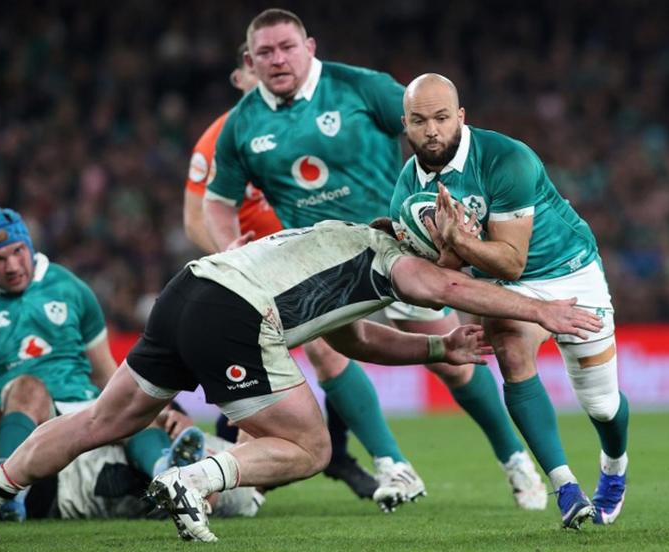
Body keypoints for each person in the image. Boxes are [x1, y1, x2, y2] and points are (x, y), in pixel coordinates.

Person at [0, 217, 602, 543]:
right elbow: (453, 285)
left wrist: (438, 350)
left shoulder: (340, 245)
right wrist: (542, 309)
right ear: (435, 241)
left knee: (100, 421)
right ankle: (191, 479)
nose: (468, 261)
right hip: (235, 313)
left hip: (189, 291)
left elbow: (358, 337)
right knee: (310, 447)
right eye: (465, 245)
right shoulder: (399, 258)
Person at [204, 7, 548, 511]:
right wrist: (226, 242)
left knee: (451, 362)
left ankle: (515, 458)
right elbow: (218, 199)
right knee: (326, 352)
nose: (277, 59)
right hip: (319, 263)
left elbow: (436, 136)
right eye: (265, 52)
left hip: (397, 248)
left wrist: (448, 208)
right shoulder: (240, 125)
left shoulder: (360, 88)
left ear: (310, 47)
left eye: (286, 48)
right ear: (251, 61)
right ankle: (393, 465)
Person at [390, 73, 630, 529]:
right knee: (509, 347)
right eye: (420, 121)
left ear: (460, 116)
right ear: (406, 124)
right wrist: (446, 253)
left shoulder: (506, 159)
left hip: (568, 270)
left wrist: (458, 239)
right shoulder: (407, 188)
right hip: (502, 287)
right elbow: (441, 271)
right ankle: (565, 489)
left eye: (442, 118)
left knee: (601, 405)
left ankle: (614, 468)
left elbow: (512, 261)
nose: (432, 131)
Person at [0, 207, 202, 521]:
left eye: (17, 252)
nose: (12, 266)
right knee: (29, 386)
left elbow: (107, 373)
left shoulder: (71, 288)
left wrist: (161, 409)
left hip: (82, 405)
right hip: (13, 414)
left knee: (132, 405)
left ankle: (165, 478)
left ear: (29, 245)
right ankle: (6, 495)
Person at [183, 42, 376, 500]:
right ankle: (229, 458)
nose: (274, 73)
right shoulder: (220, 138)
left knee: (336, 346)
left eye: (284, 62)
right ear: (242, 76)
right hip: (251, 274)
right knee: (297, 356)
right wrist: (232, 257)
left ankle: (351, 455)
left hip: (309, 265)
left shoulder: (301, 128)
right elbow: (195, 219)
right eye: (260, 66)